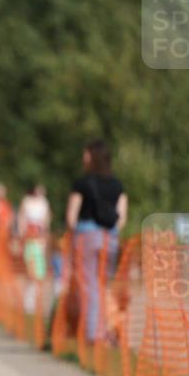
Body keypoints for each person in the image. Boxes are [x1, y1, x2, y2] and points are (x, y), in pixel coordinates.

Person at [64, 139, 127, 343]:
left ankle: (93, 334)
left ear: (92, 157)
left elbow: (72, 217)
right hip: (111, 238)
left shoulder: (81, 184)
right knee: (104, 286)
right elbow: (122, 217)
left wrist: (76, 236)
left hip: (87, 237)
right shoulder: (117, 185)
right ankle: (108, 329)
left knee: (88, 285)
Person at [17, 184, 51, 313]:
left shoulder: (44, 203)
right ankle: (29, 299)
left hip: (39, 239)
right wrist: (22, 234)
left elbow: (46, 221)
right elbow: (22, 218)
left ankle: (35, 298)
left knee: (39, 269)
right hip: (29, 238)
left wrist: (44, 235)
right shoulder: (26, 202)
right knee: (29, 267)